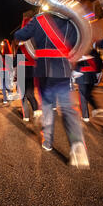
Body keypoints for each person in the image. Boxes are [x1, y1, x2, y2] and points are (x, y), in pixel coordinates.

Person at [14, 12, 89, 168]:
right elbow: (78, 45)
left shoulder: (39, 19)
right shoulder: (71, 20)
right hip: (63, 69)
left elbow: (19, 35)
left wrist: (31, 25)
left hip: (44, 70)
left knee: (47, 106)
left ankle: (47, 141)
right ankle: (77, 145)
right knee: (68, 109)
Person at [13, 17, 41, 122]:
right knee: (30, 93)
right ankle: (36, 110)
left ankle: (26, 116)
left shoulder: (21, 47)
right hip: (32, 71)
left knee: (23, 95)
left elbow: (15, 62)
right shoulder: (35, 44)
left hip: (22, 71)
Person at [74, 48, 103, 122]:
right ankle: (95, 108)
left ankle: (85, 116)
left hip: (82, 74)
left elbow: (74, 62)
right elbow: (99, 62)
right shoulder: (93, 51)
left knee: (83, 95)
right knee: (88, 94)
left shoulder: (78, 49)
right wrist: (98, 73)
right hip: (92, 75)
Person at [0, 39, 13, 105]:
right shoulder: (10, 55)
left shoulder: (2, 54)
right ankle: (10, 97)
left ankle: (5, 99)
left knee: (3, 86)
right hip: (8, 71)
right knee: (8, 85)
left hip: (2, 71)